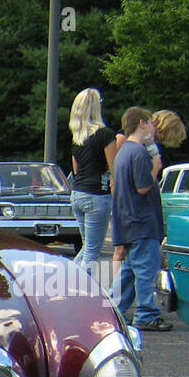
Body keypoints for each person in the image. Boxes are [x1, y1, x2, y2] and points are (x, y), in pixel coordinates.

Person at [111, 106, 172, 331]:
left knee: (128, 270)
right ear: (141, 123)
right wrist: (155, 168)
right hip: (142, 222)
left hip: (127, 222)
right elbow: (144, 186)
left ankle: (113, 308)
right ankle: (146, 314)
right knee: (146, 270)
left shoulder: (123, 152)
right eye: (152, 123)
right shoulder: (138, 153)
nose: (155, 128)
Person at [68, 88, 118, 275]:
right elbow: (114, 168)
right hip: (97, 194)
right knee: (92, 250)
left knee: (87, 246)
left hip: (78, 193)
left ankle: (69, 278)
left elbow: (76, 170)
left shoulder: (77, 138)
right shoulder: (105, 134)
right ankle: (80, 289)